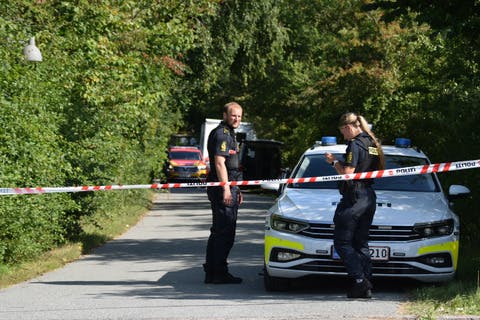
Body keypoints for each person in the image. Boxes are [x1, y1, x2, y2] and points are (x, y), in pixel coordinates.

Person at [325, 112, 385, 298]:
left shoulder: (355, 144)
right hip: (368, 196)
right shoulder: (372, 143)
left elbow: (348, 172)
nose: (344, 136)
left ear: (349, 127)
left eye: (343, 131)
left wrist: (334, 161)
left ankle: (360, 280)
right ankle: (366, 284)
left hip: (355, 197)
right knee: (361, 242)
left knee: (342, 242)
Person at [203, 102, 244, 284]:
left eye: (239, 116)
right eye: (233, 115)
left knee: (219, 231)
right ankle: (218, 272)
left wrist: (236, 188)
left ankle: (212, 272)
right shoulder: (222, 134)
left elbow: (231, 165)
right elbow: (220, 163)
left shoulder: (229, 133)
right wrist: (226, 188)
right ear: (225, 115)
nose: (237, 119)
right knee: (225, 231)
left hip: (228, 186)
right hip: (222, 189)